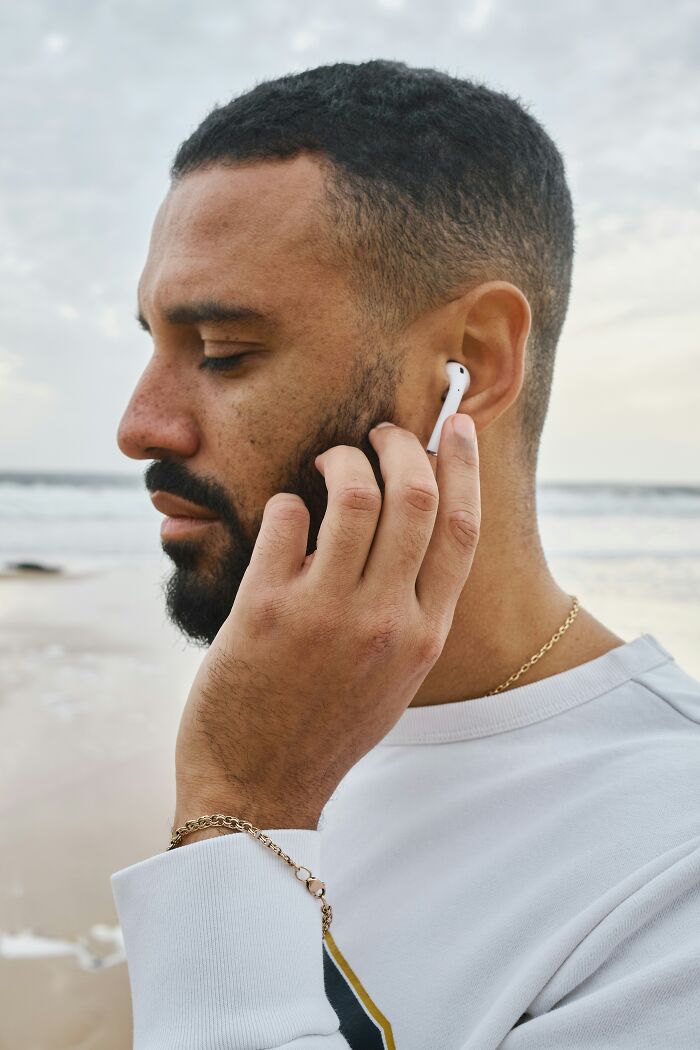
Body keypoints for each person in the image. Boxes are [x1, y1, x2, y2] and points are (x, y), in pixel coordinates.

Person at [111, 59, 700, 1048]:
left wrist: (237, 810)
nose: (140, 425)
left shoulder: (668, 874)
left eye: (222, 350)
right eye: (152, 344)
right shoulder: (302, 713)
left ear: (474, 363)